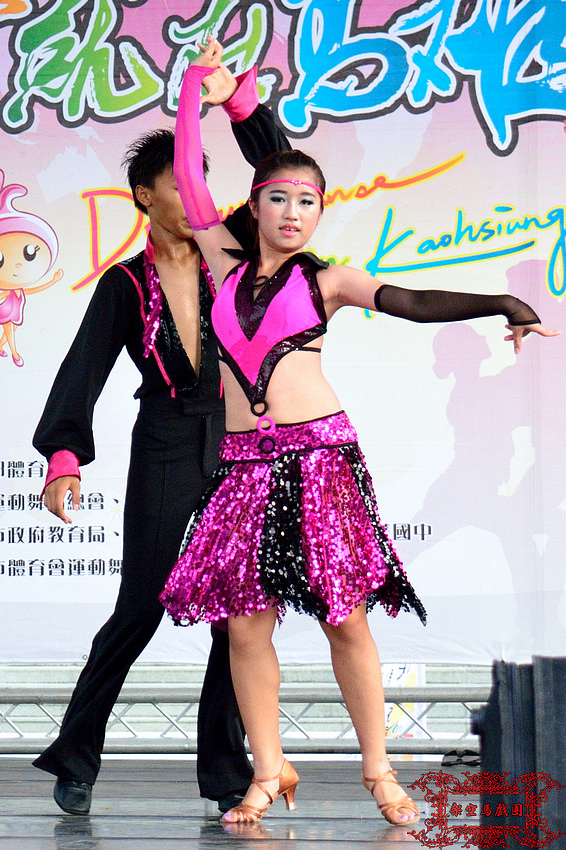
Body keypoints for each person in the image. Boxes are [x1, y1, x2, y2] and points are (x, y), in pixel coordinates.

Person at [159, 42, 559, 827]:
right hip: (243, 465)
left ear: (319, 213)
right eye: (279, 199)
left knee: (345, 616)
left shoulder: (328, 279)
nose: (293, 212)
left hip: (318, 458)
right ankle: (268, 771)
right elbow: (190, 176)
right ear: (256, 205)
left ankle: (379, 770)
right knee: (244, 626)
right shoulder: (220, 258)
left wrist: (502, 304)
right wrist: (196, 90)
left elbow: (412, 302)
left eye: (308, 202)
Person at [31, 58, 291, 817]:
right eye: (180, 183)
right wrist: (64, 457)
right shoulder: (125, 283)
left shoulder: (234, 246)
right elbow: (82, 370)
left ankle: (226, 773)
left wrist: (239, 105)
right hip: (167, 439)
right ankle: (75, 756)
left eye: (200, 179)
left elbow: (279, 171)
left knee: (238, 616)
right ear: (145, 195)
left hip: (242, 439)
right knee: (139, 606)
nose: (195, 194)